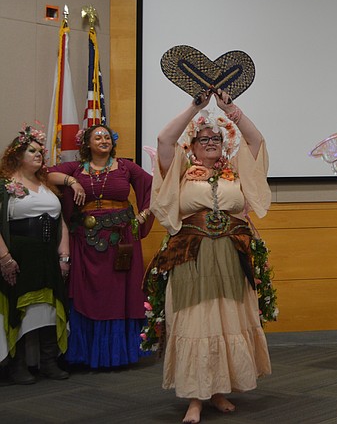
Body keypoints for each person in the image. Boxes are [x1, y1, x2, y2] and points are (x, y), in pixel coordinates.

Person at [148, 88, 271, 424]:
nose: (210, 140)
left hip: (230, 257)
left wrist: (231, 109)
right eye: (203, 138)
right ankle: (195, 399)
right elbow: (163, 139)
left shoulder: (235, 172)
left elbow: (256, 142)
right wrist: (196, 108)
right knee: (196, 322)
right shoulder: (180, 170)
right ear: (192, 145)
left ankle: (218, 390)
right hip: (192, 256)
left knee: (226, 319)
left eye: (216, 137)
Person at [47, 124, 153, 369]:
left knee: (118, 294)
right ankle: (86, 353)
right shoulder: (76, 168)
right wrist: (72, 181)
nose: (104, 140)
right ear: (87, 143)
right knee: (89, 294)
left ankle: (119, 354)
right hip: (87, 241)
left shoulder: (126, 167)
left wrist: (143, 216)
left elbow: (152, 187)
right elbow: (47, 173)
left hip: (121, 239)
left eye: (107, 136)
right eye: (98, 137)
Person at [0, 125, 70, 385]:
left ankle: (49, 362)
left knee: (49, 308)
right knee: (22, 307)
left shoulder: (45, 184)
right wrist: (5, 258)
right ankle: (17, 365)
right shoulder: (5, 185)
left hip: (47, 255)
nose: (39, 155)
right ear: (18, 155)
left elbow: (60, 220)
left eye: (41, 151)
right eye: (32, 151)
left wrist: (64, 255)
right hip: (19, 254)